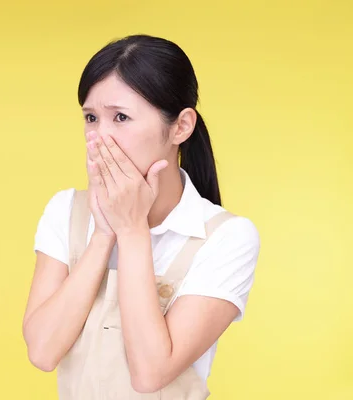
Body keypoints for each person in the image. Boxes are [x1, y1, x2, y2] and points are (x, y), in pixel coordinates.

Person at [22, 34, 260, 399]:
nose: (99, 138)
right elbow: (41, 351)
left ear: (181, 127)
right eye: (90, 118)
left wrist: (131, 230)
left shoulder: (227, 237)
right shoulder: (65, 210)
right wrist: (104, 231)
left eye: (121, 117)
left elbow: (150, 374)